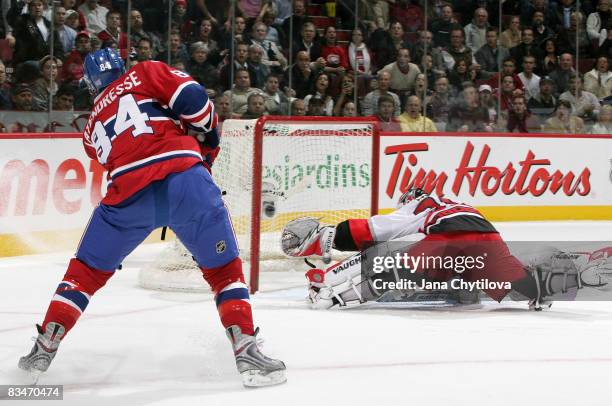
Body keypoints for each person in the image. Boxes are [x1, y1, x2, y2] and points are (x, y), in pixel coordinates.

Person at [17, 48, 286, 387]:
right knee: (223, 271)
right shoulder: (142, 73)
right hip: (185, 182)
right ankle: (246, 349)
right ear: (120, 67)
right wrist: (207, 134)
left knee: (83, 274)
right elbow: (194, 98)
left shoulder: (90, 129)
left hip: (128, 198)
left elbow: (121, 152)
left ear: (89, 83)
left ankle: (45, 344)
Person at [281, 188, 608, 310]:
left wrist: (332, 237)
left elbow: (381, 229)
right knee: (516, 285)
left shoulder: (422, 204)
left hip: (451, 238)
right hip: (489, 239)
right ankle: (554, 280)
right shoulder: (460, 203)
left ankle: (331, 293)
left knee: (392, 265)